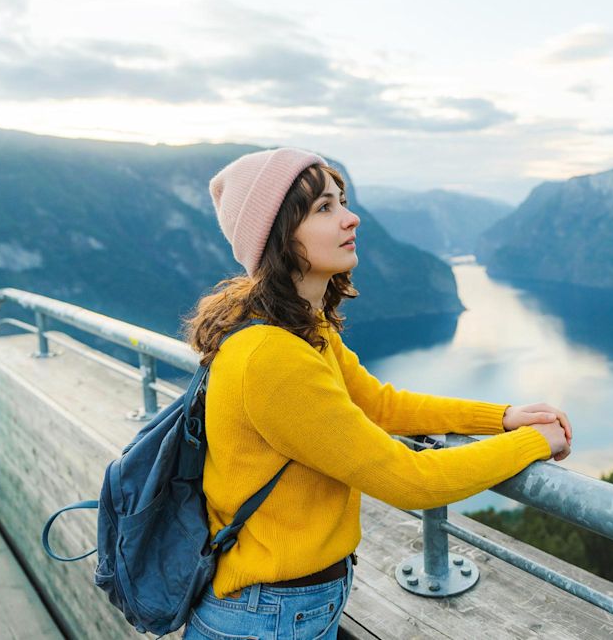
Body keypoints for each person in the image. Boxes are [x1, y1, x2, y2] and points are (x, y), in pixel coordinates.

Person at [180, 147, 572, 640]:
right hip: (266, 617)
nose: (351, 218)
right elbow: (411, 480)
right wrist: (536, 442)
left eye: (341, 201)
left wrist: (502, 416)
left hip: (284, 605)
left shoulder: (300, 327)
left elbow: (378, 405)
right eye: (325, 208)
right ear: (280, 235)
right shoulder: (271, 356)